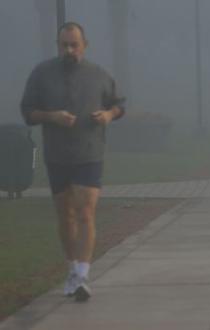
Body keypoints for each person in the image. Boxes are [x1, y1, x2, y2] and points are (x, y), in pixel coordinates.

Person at [20, 22, 125, 302]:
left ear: (84, 45)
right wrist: (52, 117)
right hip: (57, 155)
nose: (69, 49)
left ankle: (82, 275)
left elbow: (118, 105)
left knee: (86, 212)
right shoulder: (42, 74)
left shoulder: (99, 74)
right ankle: (71, 269)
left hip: (90, 153)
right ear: (58, 45)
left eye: (74, 44)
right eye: (64, 44)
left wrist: (108, 116)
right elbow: (27, 112)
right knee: (65, 215)